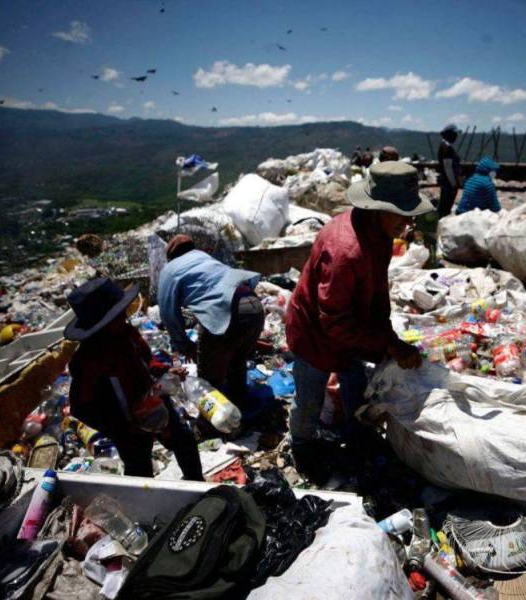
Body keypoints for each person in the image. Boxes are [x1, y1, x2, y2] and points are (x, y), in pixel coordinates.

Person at [285, 161, 433, 481]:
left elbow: (377, 290)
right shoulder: (346, 250)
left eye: (411, 213)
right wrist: (385, 344)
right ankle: (303, 449)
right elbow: (334, 322)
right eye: (401, 213)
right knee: (309, 399)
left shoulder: (379, 233)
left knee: (357, 385)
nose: (408, 222)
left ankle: (358, 436)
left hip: (349, 328)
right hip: (315, 332)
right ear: (377, 208)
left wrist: (387, 336)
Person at [66, 277, 203, 480]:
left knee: (184, 440)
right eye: (117, 315)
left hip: (153, 402)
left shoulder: (128, 334)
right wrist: (120, 426)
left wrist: (165, 371)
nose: (124, 316)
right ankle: (146, 508)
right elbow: (81, 407)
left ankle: (198, 485)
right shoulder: (87, 361)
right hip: (125, 423)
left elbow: (148, 362)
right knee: (139, 467)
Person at [157, 234, 263, 408]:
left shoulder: (170, 269)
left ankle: (211, 429)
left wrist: (184, 345)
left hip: (226, 312)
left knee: (209, 382)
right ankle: (242, 414)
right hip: (254, 306)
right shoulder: (205, 258)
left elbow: (168, 313)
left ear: (171, 256)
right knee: (236, 364)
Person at [437, 124, 462, 217]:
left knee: (444, 206)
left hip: (446, 181)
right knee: (445, 206)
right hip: (448, 182)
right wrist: (453, 183)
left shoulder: (444, 145)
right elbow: (448, 167)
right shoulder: (447, 147)